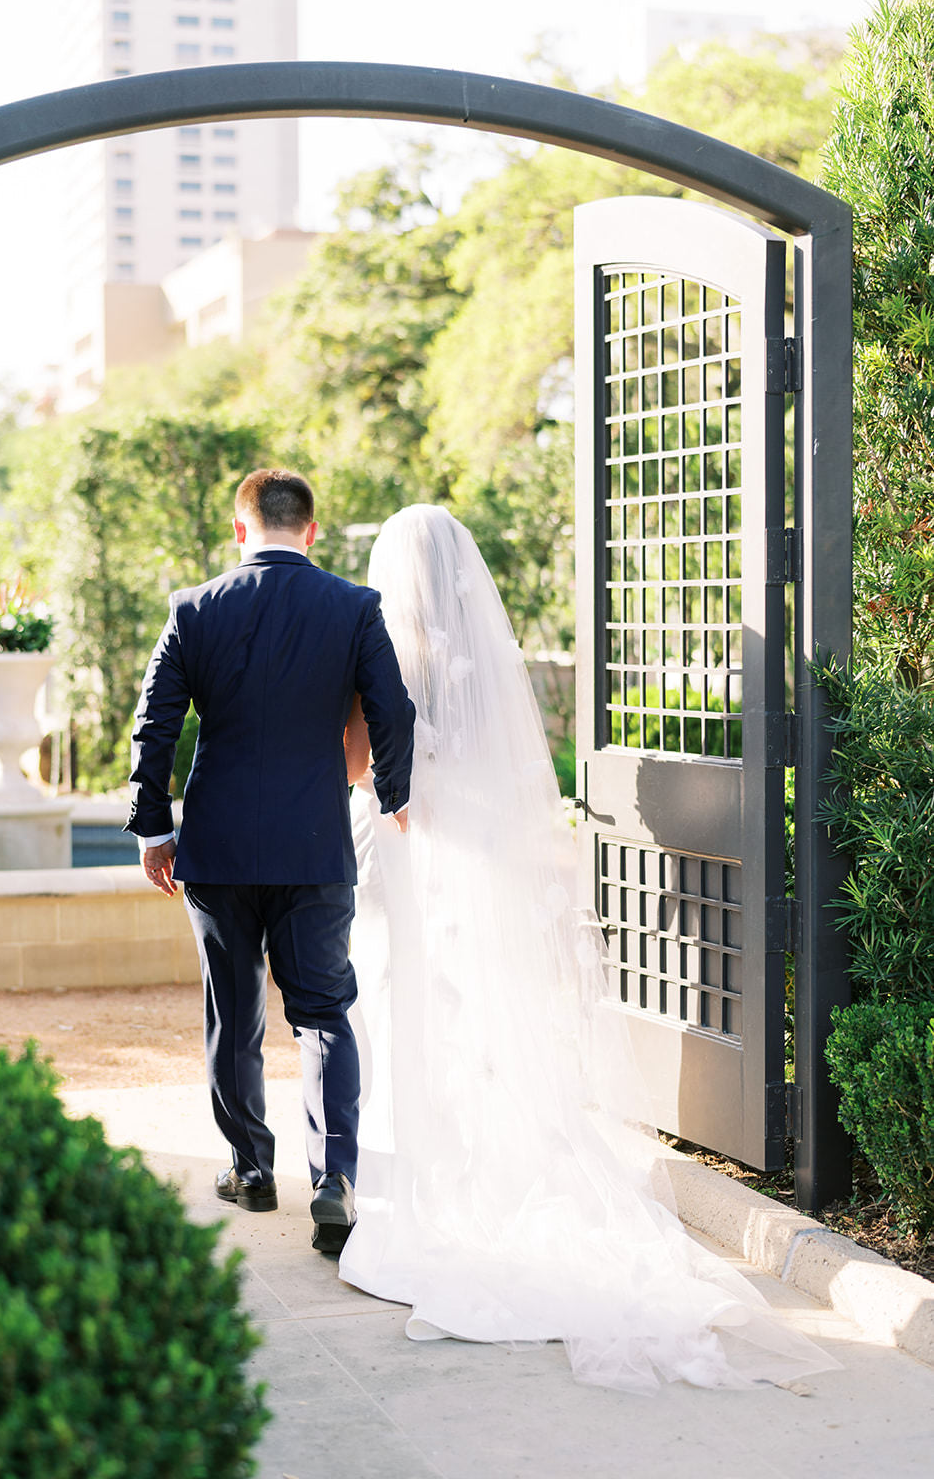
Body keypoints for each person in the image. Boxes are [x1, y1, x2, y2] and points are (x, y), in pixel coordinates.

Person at [337, 503, 837, 1393]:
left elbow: (359, 768)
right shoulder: (475, 671)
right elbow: (519, 785)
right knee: (482, 1039)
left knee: (410, 1028)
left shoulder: (380, 658)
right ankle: (495, 1185)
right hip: (472, 873)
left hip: (406, 875)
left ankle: (431, 1207)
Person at [125, 469, 415, 1253]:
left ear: (238, 527)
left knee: (235, 1009)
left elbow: (153, 725)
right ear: (311, 531)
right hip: (315, 846)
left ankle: (251, 1170)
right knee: (323, 1015)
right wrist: (392, 795)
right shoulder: (353, 607)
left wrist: (153, 828)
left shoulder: (193, 609)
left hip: (217, 849)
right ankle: (335, 1181)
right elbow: (392, 709)